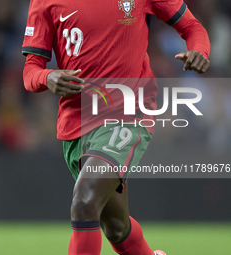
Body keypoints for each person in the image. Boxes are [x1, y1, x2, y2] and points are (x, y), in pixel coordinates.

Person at [22, 0, 210, 254]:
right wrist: (47, 77)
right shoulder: (44, 2)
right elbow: (31, 70)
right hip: (76, 122)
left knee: (85, 201)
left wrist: (199, 50)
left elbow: (192, 27)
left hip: (128, 112)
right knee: (116, 227)